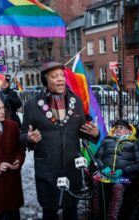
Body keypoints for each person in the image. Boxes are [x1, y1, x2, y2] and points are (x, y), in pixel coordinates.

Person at [19, 61, 100, 220]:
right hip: (47, 170)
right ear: (45, 80)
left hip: (71, 168)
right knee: (50, 212)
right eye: (54, 76)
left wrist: (94, 134)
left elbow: (83, 131)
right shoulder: (32, 105)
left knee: (71, 211)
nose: (60, 79)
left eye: (62, 76)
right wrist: (28, 138)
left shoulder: (75, 102)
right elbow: (22, 135)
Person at [92, 120, 139, 220]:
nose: (118, 129)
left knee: (118, 186)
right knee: (95, 182)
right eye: (116, 127)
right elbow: (97, 158)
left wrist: (123, 171)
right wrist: (103, 168)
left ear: (128, 130)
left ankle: (112, 217)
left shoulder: (134, 143)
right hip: (106, 173)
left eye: (121, 127)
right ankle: (96, 215)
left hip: (124, 175)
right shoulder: (106, 140)